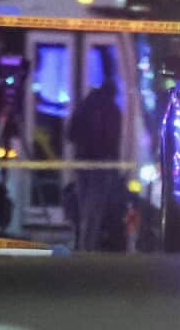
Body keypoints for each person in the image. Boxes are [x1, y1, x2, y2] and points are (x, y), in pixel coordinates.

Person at [67, 80, 122, 251]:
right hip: (101, 164)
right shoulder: (113, 110)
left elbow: (70, 133)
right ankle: (88, 245)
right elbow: (113, 141)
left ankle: (81, 243)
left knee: (84, 205)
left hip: (82, 161)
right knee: (95, 207)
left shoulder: (85, 105)